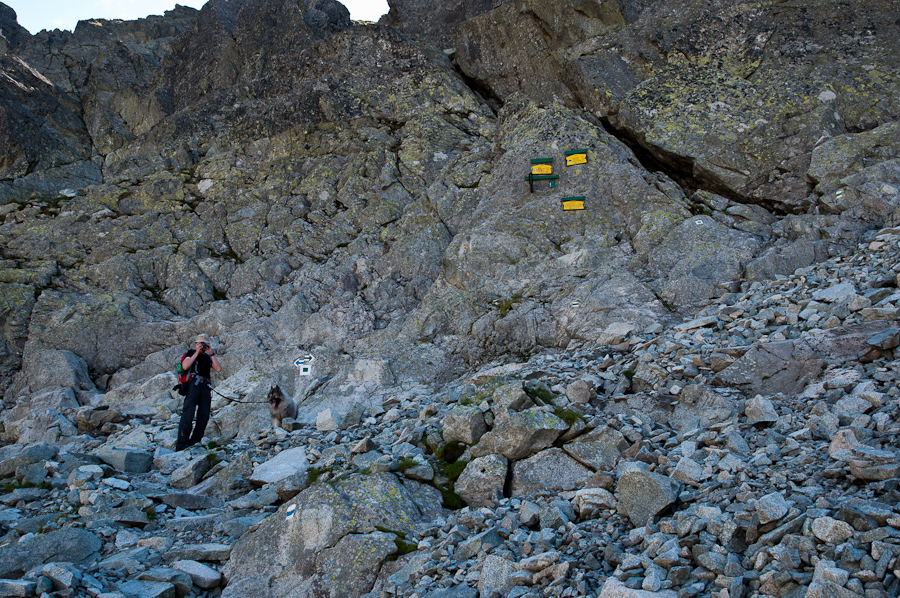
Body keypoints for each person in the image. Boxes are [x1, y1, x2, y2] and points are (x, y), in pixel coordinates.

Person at [176, 333, 221, 451]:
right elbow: (185, 366)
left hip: (205, 386)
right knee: (188, 413)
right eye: (200, 344)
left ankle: (195, 441)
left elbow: (218, 368)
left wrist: (211, 353)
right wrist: (196, 352)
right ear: (196, 344)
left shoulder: (208, 357)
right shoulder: (191, 353)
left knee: (204, 414)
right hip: (193, 385)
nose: (202, 346)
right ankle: (182, 443)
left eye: (204, 344)